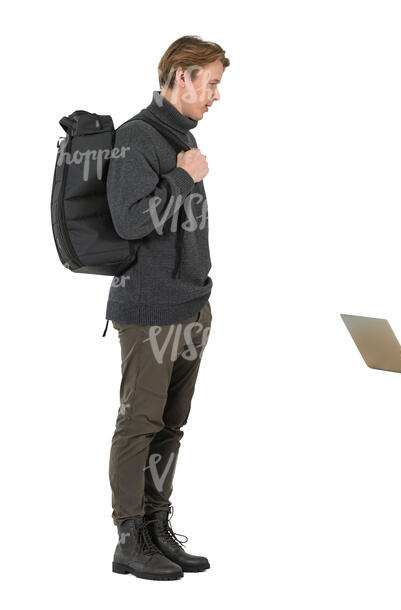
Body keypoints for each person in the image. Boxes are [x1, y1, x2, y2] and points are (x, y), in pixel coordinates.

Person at [105, 35, 229, 581]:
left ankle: (156, 528)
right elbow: (129, 221)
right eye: (212, 83)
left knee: (170, 428)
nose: (216, 96)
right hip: (150, 308)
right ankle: (129, 538)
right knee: (140, 424)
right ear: (182, 76)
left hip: (190, 306)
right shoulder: (137, 137)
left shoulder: (177, 137)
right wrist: (184, 176)